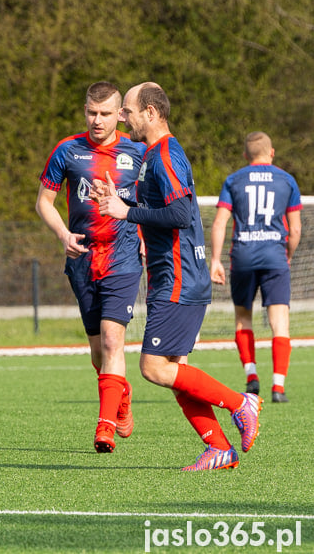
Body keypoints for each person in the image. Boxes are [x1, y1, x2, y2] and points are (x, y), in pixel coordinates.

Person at [95, 82, 262, 471]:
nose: (123, 117)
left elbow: (181, 215)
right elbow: (164, 207)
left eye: (129, 111)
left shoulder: (165, 153)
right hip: (174, 276)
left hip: (179, 278)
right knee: (175, 371)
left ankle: (242, 403)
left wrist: (126, 213)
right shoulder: (156, 155)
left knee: (153, 367)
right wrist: (121, 201)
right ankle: (218, 447)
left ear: (151, 113)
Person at [35, 81, 145, 454]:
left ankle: (105, 427)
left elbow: (154, 203)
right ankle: (122, 397)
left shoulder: (138, 152)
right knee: (99, 351)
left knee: (114, 339)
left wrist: (145, 232)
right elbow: (44, 203)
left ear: (120, 115)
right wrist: (63, 234)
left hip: (123, 256)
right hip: (81, 257)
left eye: (105, 114)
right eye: (91, 113)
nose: (97, 120)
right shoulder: (67, 150)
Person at [210, 132, 301, 403]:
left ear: (245, 156)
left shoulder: (233, 180)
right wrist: (288, 255)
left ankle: (251, 377)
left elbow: (219, 223)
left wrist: (215, 260)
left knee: (243, 317)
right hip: (275, 256)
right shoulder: (287, 180)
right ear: (271, 153)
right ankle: (278, 387)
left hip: (243, 257)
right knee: (280, 321)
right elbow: (295, 229)